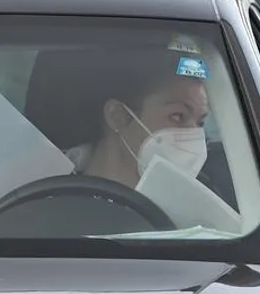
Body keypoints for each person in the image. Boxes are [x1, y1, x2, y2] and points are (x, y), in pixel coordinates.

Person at [65, 47, 210, 189]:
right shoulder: (52, 194)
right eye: (178, 116)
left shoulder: (197, 206)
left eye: (200, 123)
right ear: (118, 116)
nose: (193, 136)